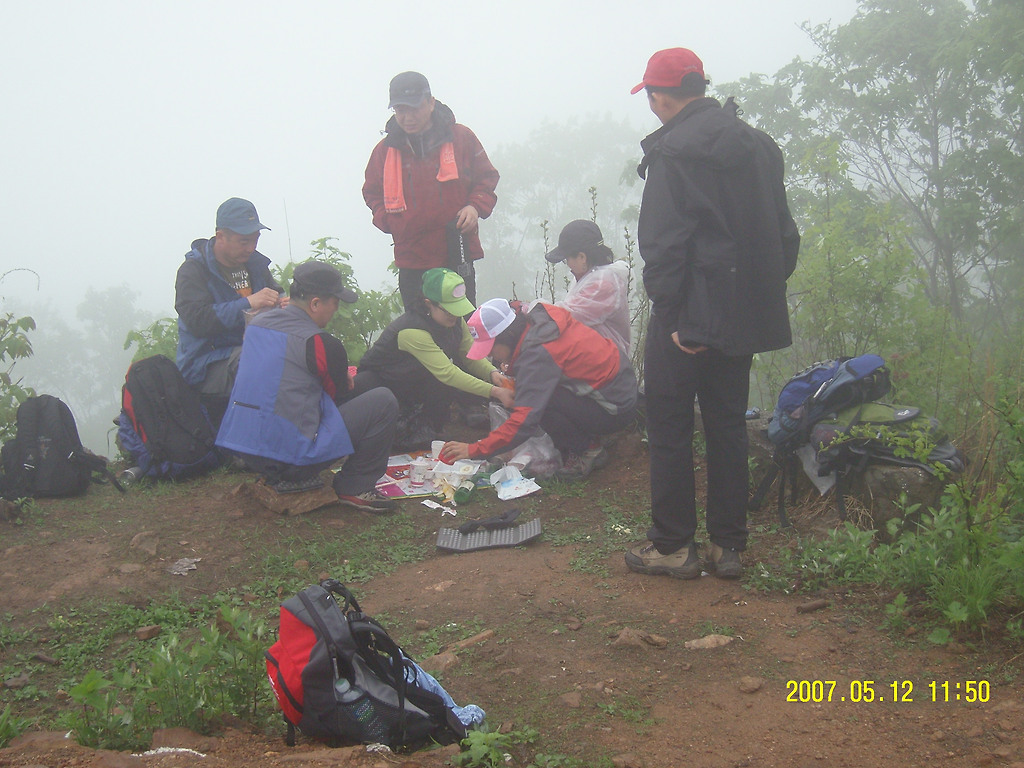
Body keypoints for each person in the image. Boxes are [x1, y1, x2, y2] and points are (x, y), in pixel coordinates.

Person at [624, 48, 800, 580]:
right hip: (741, 316)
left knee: (671, 423)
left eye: (650, 95)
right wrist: (748, 298)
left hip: (687, 318)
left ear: (661, 95)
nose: (651, 104)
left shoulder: (674, 153)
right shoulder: (760, 148)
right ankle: (728, 547)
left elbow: (663, 244)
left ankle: (674, 546)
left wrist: (676, 317)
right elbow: (784, 236)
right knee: (727, 423)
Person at [216, 261, 399, 513]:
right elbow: (337, 397)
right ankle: (355, 486)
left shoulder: (257, 324)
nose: (336, 309)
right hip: (290, 459)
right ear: (315, 303)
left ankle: (275, 469)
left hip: (246, 450)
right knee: (383, 400)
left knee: (364, 383)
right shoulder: (320, 343)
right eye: (335, 302)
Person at [440, 298, 637, 479]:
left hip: (614, 408)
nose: (493, 357)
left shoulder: (537, 353)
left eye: (492, 349)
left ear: (508, 334)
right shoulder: (539, 323)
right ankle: (587, 435)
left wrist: (475, 449)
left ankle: (589, 449)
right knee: (534, 396)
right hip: (621, 388)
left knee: (540, 404)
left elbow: (523, 422)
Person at [362, 71, 499, 310]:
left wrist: (475, 206)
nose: (407, 117)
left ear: (431, 102)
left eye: (414, 108)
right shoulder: (384, 151)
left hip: (456, 250)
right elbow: (372, 192)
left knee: (463, 325)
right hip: (412, 258)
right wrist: (390, 222)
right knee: (419, 331)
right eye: (400, 110)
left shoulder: (461, 138)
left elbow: (487, 177)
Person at [352, 268, 514, 448]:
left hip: (414, 381)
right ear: (428, 303)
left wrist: (492, 373)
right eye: (448, 310)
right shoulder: (412, 331)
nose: (454, 314)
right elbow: (448, 373)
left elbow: (469, 354)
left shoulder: (455, 322)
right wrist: (496, 391)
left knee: (440, 388)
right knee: (444, 381)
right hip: (386, 386)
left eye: (457, 308)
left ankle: (427, 433)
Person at [175, 198, 286, 423]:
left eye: (256, 239)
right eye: (244, 241)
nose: (251, 248)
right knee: (258, 359)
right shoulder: (193, 271)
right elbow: (198, 320)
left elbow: (275, 293)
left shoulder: (255, 264)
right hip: (206, 363)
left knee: (299, 347)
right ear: (221, 235)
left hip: (250, 348)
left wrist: (284, 303)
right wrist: (248, 304)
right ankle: (249, 443)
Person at [545, 219, 631, 356]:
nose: (567, 264)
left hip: (608, 368)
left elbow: (566, 317)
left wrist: (530, 309)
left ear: (582, 257)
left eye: (566, 259)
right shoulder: (586, 277)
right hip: (594, 363)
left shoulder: (603, 283)